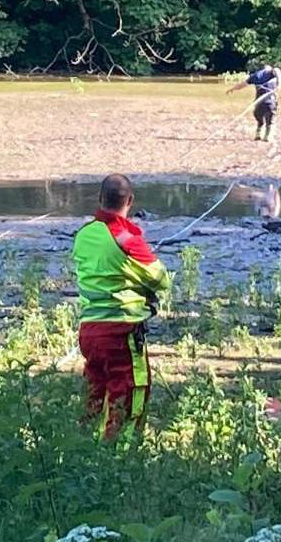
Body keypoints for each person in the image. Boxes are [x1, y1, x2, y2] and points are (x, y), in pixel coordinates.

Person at [72, 174, 172, 443]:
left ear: (100, 199)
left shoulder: (84, 235)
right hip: (121, 332)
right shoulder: (126, 238)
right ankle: (120, 455)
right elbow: (160, 278)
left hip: (89, 330)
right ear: (130, 201)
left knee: (95, 392)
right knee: (129, 395)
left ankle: (82, 451)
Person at [228, 63, 281, 142]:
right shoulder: (272, 72)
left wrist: (232, 89)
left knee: (259, 119)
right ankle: (267, 136)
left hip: (258, 104)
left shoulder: (255, 76)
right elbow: (278, 72)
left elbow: (242, 84)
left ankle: (258, 133)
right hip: (270, 102)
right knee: (270, 120)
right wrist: (279, 86)